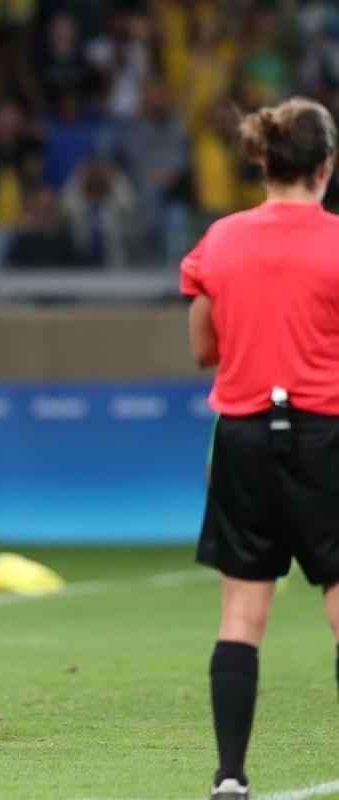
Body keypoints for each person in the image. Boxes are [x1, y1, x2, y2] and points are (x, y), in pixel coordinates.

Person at [180, 97, 339, 800]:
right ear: (325, 167)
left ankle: (231, 774)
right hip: (326, 436)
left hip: (243, 435)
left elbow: (202, 346)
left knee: (241, 616)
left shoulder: (220, 241)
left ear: (264, 162)